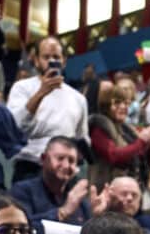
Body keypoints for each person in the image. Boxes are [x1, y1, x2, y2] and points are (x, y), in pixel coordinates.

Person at [6, 34, 89, 183]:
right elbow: (14, 127)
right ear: (36, 60)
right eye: (46, 57)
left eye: (56, 57)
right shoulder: (21, 88)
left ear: (64, 61)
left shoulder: (78, 98)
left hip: (64, 173)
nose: (52, 61)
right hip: (29, 168)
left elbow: (82, 137)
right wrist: (41, 92)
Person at [87, 85, 150, 190]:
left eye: (126, 103)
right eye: (117, 102)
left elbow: (137, 154)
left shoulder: (125, 128)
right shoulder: (99, 127)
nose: (123, 106)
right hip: (106, 192)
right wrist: (142, 141)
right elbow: (113, 156)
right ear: (105, 104)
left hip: (128, 190)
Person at [9, 136, 90, 224]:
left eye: (71, 161)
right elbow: (21, 226)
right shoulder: (22, 191)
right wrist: (62, 213)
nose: (66, 165)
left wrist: (97, 215)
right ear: (43, 159)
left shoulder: (78, 198)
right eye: (60, 158)